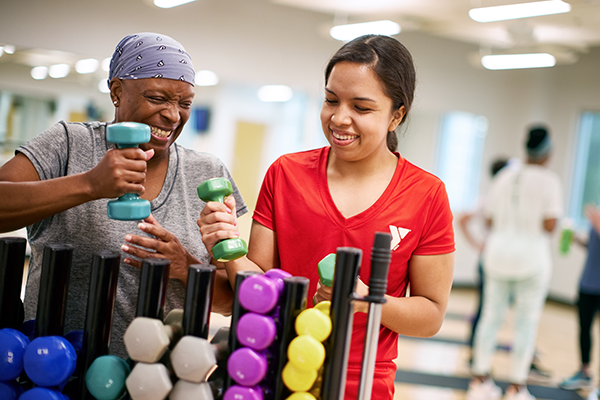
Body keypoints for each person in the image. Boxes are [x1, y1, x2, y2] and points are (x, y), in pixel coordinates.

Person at [198, 34, 455, 400]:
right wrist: (225, 247)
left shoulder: (426, 194)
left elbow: (430, 315)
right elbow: (256, 286)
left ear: (396, 115)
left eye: (362, 108)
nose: (339, 118)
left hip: (361, 381)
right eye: (331, 100)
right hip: (270, 367)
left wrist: (366, 299)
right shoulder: (286, 174)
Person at [0, 32, 246, 358]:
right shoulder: (68, 144)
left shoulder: (206, 171)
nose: (173, 115)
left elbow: (229, 302)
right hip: (54, 371)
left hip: (157, 378)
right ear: (117, 91)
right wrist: (91, 184)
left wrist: (183, 266)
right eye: (158, 98)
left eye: (185, 103)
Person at [467, 126, 563, 400]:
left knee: (489, 318)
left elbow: (488, 220)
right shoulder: (550, 181)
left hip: (496, 256)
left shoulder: (504, 177)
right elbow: (549, 225)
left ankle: (479, 380)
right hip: (532, 260)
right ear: (548, 153)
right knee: (526, 323)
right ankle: (516, 387)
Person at [559, 205, 600, 399]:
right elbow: (593, 245)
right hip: (587, 283)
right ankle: (584, 371)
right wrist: (576, 238)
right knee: (584, 329)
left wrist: (598, 225)